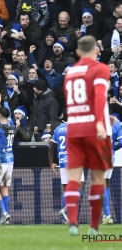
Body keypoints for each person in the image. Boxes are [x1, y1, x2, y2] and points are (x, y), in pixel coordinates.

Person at [63, 35, 112, 236]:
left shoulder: (70, 73)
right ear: (96, 50)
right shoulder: (101, 69)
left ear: (77, 52)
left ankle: (73, 222)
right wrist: (101, 121)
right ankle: (93, 227)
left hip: (73, 128)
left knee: (74, 178)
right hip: (95, 129)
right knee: (98, 179)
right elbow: (100, 94)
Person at [48, 112, 85, 225]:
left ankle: (66, 218)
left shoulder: (58, 129)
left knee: (66, 190)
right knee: (80, 187)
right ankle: (65, 210)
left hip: (63, 162)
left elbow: (51, 147)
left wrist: (51, 163)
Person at [102, 118, 122, 224]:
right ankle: (106, 215)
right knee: (106, 185)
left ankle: (108, 215)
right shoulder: (116, 122)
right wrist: (113, 148)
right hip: (111, 157)